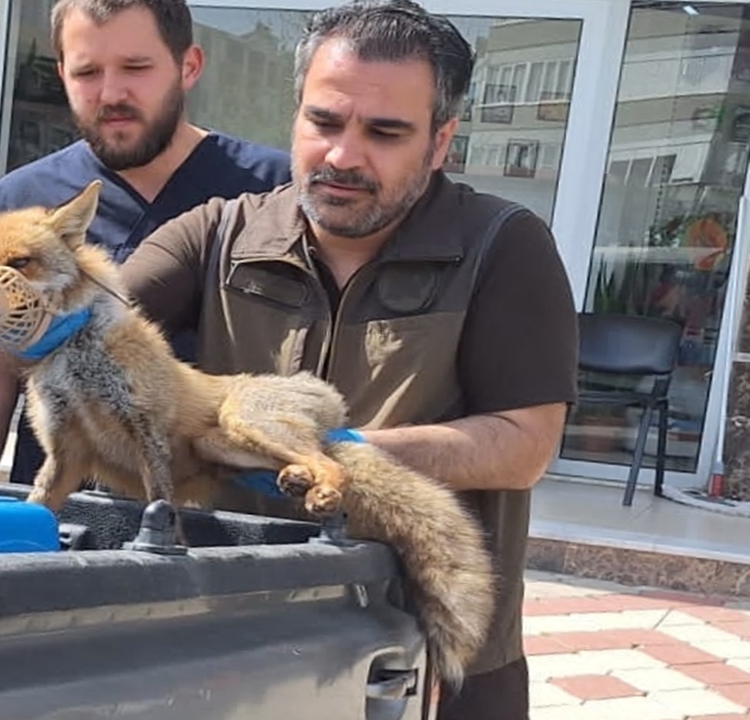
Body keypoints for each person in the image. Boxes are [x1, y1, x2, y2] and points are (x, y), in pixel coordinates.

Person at [117, 1, 578, 718]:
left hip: (428, 651)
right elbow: (96, 327)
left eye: (385, 133)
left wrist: (337, 456)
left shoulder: (501, 246)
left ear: (440, 141)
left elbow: (523, 445)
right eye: (324, 122)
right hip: (240, 648)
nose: (343, 156)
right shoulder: (217, 234)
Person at [0, 0, 292, 484]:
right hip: (63, 512)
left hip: (224, 516)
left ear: (189, 66)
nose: (111, 93)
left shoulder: (273, 193)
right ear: (62, 73)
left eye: (136, 68)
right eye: (87, 72)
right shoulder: (20, 205)